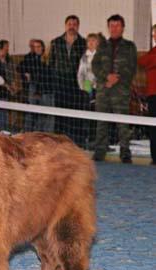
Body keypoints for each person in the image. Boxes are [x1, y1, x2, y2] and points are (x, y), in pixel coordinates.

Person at [92, 14, 137, 163]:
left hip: (121, 91)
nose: (114, 28)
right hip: (103, 90)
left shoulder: (130, 46)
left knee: (122, 123)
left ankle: (125, 152)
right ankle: (100, 151)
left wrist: (116, 78)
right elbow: (95, 65)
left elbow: (131, 68)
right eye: (111, 26)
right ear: (108, 27)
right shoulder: (102, 45)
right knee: (101, 122)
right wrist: (106, 77)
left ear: (123, 28)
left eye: (117, 25)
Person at [49, 15, 86, 145]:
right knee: (60, 115)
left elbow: (88, 67)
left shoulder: (84, 43)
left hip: (77, 85)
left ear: (78, 26)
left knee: (76, 115)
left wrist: (86, 88)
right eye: (69, 24)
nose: (72, 26)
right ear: (65, 25)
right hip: (60, 84)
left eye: (74, 24)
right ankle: (58, 144)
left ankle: (77, 144)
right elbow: (51, 64)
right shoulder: (55, 42)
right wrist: (53, 83)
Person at [17, 39, 55, 132]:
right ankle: (33, 131)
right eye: (35, 47)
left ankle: (47, 132)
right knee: (35, 111)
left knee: (47, 112)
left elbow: (47, 74)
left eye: (38, 47)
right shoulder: (31, 58)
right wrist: (26, 73)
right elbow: (19, 67)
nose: (37, 49)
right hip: (35, 88)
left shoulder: (48, 58)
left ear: (43, 47)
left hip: (47, 89)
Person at [138, 24, 156, 165]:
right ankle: (155, 157)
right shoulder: (152, 52)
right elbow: (142, 62)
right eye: (154, 35)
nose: (155, 37)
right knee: (153, 126)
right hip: (152, 95)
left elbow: (147, 62)